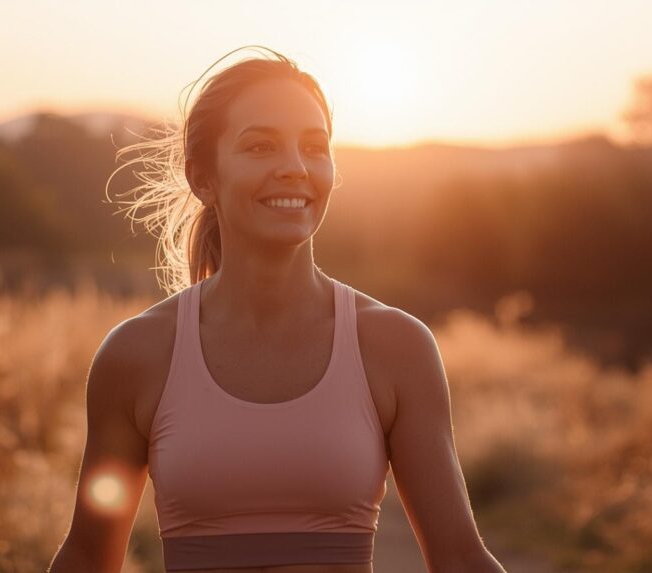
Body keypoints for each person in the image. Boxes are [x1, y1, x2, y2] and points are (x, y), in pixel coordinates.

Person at [48, 46, 507, 573]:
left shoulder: (396, 347)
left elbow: (459, 558)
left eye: (314, 147)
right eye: (260, 146)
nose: (294, 168)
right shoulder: (136, 356)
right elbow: (87, 557)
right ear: (204, 178)